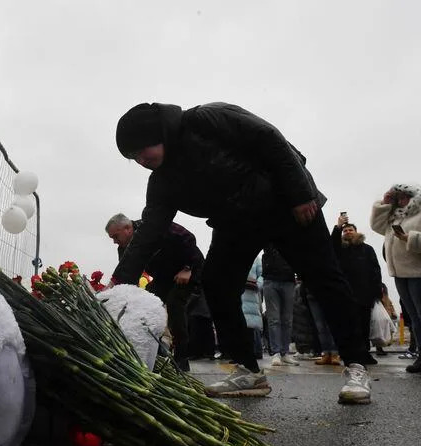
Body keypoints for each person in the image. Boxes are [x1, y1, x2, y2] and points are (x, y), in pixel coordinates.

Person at [110, 101, 373, 404]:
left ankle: (356, 364)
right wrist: (121, 280)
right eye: (134, 157)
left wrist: (301, 194)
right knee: (217, 284)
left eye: (143, 149)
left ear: (161, 133)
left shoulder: (205, 119)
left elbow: (269, 138)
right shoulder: (162, 181)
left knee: (323, 276)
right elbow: (150, 231)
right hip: (236, 221)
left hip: (286, 204)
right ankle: (247, 369)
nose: (141, 159)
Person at [105, 213, 204, 371]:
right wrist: (114, 288)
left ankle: (181, 358)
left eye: (115, 236)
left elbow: (188, 238)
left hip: (187, 270)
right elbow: (126, 270)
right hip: (163, 276)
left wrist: (188, 268)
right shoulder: (124, 248)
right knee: (145, 303)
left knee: (174, 304)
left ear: (127, 228)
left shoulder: (154, 225)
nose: (114, 241)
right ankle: (157, 348)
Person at [370, 184, 421, 373]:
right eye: (397, 198)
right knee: (414, 317)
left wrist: (410, 238)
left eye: (403, 197)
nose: (400, 201)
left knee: (420, 315)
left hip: (418, 273)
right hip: (400, 274)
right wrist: (384, 202)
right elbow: (376, 226)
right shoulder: (395, 217)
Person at [332, 215, 383, 359]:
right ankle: (350, 354)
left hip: (364, 294)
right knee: (348, 326)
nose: (347, 232)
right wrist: (338, 227)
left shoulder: (367, 249)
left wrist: (377, 292)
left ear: (356, 231)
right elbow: (332, 244)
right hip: (346, 294)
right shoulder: (341, 249)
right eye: (345, 230)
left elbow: (375, 270)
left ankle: (365, 353)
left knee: (364, 326)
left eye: (350, 230)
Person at [262, 245, 299, 366]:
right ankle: (276, 353)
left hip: (288, 280)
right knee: (274, 319)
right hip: (270, 279)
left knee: (287, 320)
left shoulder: (291, 237)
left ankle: (285, 353)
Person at [242, 255, 266, 362]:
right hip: (236, 293)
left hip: (251, 292)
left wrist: (257, 284)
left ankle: (255, 351)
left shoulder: (256, 258)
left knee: (251, 323)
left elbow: (262, 275)